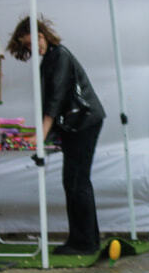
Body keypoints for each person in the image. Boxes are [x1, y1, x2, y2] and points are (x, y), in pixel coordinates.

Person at [6, 16, 106, 256]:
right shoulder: (52, 58)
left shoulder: (59, 56)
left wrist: (42, 134)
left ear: (43, 34)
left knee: (77, 182)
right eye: (29, 45)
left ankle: (84, 242)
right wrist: (43, 133)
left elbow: (56, 99)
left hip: (83, 122)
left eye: (36, 40)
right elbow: (52, 102)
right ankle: (84, 239)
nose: (35, 47)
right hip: (79, 122)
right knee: (76, 182)